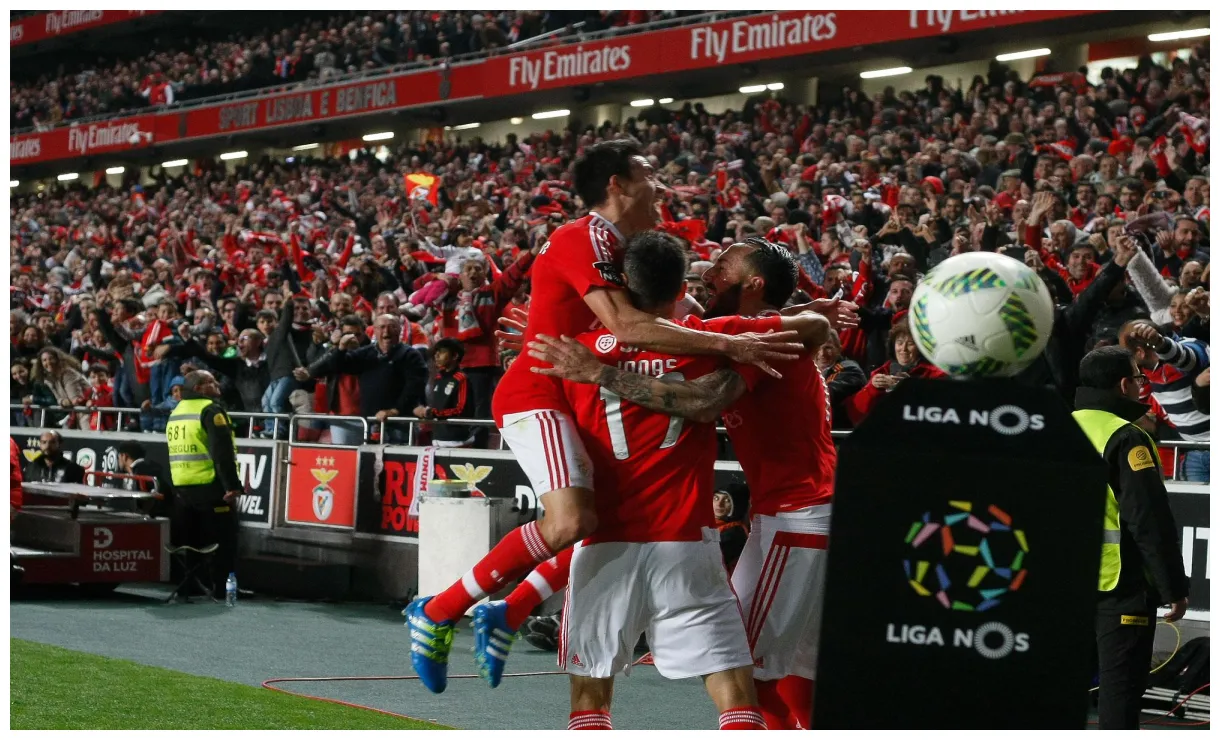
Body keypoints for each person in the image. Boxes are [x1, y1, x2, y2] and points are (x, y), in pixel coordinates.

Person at [405, 140, 803, 694]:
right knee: (572, 521)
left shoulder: (620, 245)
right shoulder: (582, 236)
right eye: (648, 173)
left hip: (574, 392)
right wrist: (732, 345)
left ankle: (509, 611)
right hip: (536, 394)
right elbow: (633, 325)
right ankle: (440, 610)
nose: (661, 185)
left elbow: (657, 315)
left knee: (607, 521)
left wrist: (800, 311)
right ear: (616, 185)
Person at [518, 236, 851, 729]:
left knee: (751, 672)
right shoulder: (757, 331)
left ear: (753, 284)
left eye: (721, 266)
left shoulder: (758, 340)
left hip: (794, 518)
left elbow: (703, 402)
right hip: (799, 518)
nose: (709, 273)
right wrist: (814, 312)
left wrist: (595, 370)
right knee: (794, 674)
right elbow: (703, 327)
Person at [1071, 346, 1189, 730]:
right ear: (1124, 385)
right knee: (1119, 696)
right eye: (1140, 378)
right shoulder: (1127, 438)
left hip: (1060, 586)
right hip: (1119, 585)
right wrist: (1173, 586)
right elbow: (1148, 520)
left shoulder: (1056, 429)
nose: (1143, 385)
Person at [165, 370, 242, 598]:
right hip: (211, 488)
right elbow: (222, 453)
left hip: (183, 489)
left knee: (192, 543)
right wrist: (232, 485)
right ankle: (225, 590)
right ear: (198, 388)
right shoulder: (210, 410)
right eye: (210, 382)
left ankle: (189, 587)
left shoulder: (177, 412)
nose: (216, 384)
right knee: (225, 542)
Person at [1117, 319, 1209, 482]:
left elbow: (1188, 360)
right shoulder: (1145, 373)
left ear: (1139, 352)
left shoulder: (1192, 345)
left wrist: (1159, 343)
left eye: (1126, 353)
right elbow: (1135, 407)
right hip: (1193, 452)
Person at [414, 338, 473, 447]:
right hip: (437, 437)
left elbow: (461, 409)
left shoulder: (461, 378)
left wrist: (434, 413)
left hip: (457, 440)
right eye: (436, 352)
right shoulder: (438, 377)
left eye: (441, 352)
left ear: (455, 356)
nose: (436, 356)